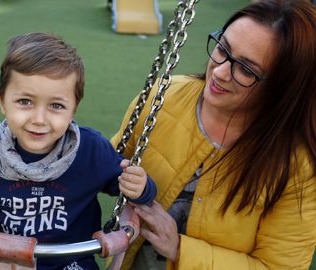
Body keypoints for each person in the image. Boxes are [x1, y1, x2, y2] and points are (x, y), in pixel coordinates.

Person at [0, 32, 157, 270]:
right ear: (2, 100)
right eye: (25, 102)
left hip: (68, 262)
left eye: (56, 105)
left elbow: (133, 194)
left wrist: (140, 187)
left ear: (73, 109)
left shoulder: (91, 150)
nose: (39, 119)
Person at [111, 0, 316, 269]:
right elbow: (110, 162)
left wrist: (179, 248)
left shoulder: (296, 167)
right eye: (222, 48)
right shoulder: (164, 97)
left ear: (282, 87)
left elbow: (278, 266)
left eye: (246, 69)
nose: (218, 72)